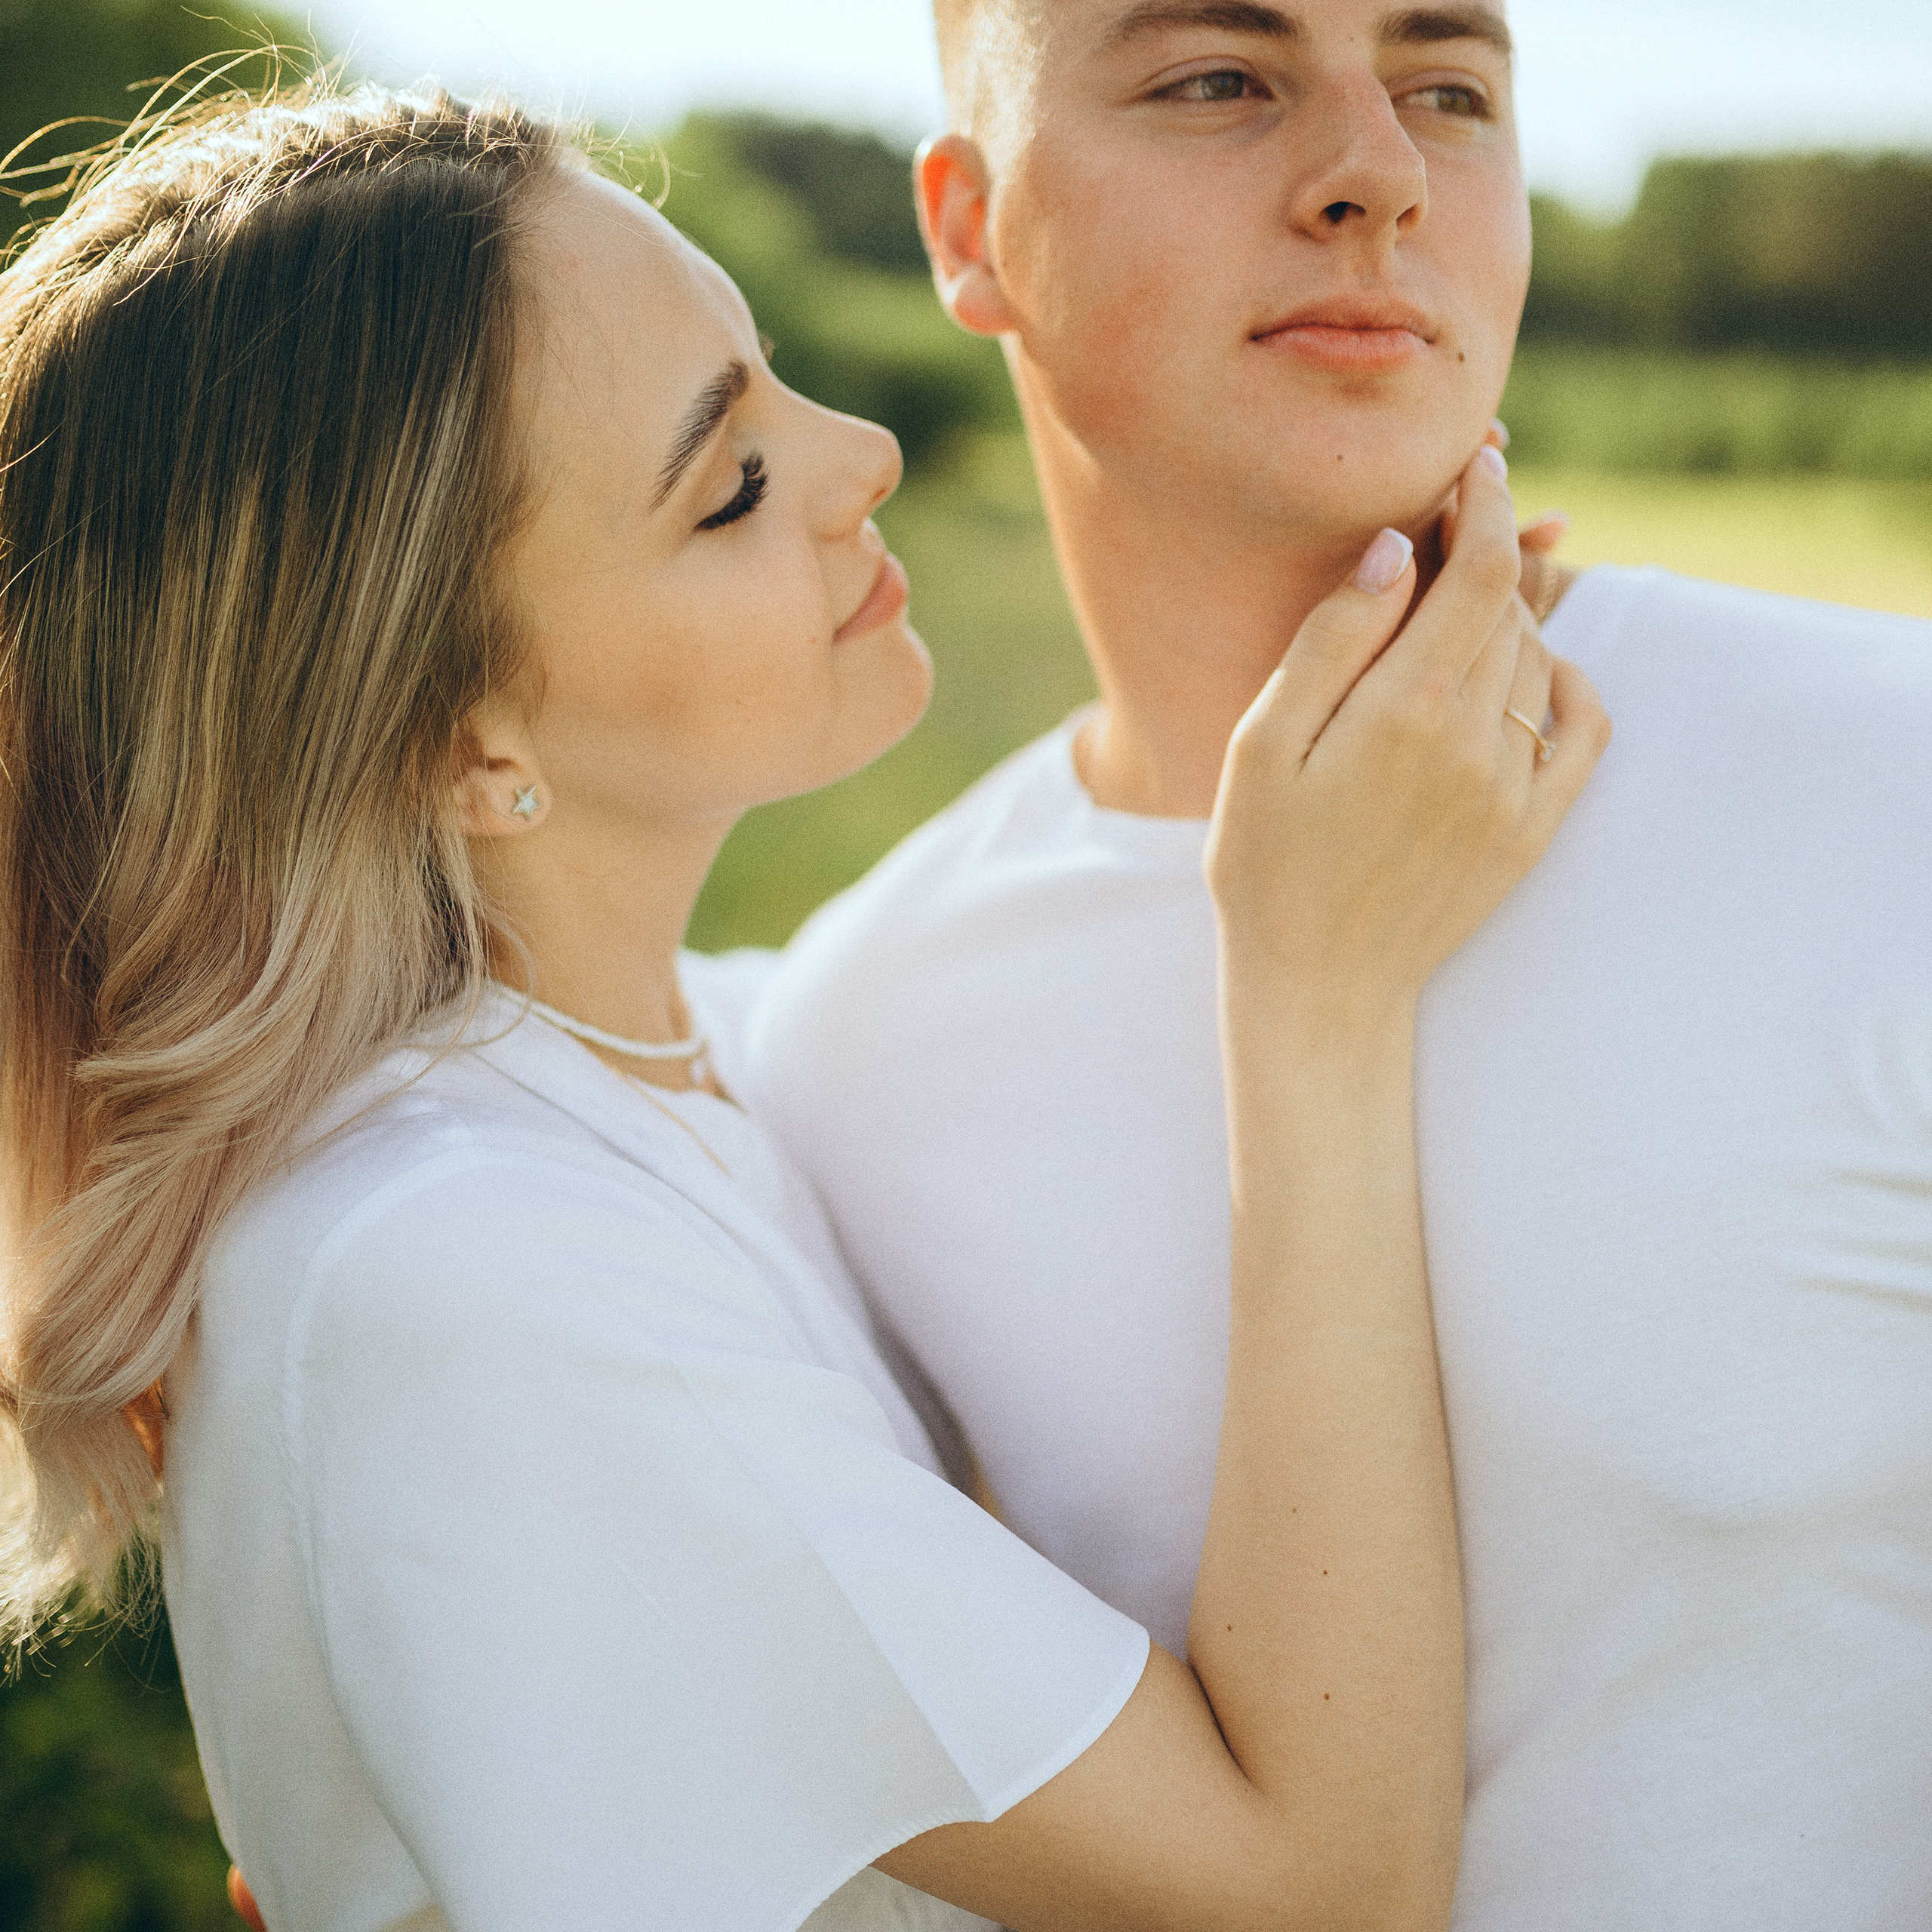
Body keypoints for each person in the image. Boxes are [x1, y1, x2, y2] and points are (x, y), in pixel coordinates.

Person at [0, 81, 1605, 1932]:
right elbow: (1317, 1889)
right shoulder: (463, 1269)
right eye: (731, 483)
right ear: (460, 738)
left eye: (770, 374)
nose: (860, 455)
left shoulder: (694, 1061)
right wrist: (1316, 999)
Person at [738, 3, 1932, 1927]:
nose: (1376, 171)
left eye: (1446, 91)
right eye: (1217, 77)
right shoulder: (850, 1055)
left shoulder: (1898, 791)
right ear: (967, 231)